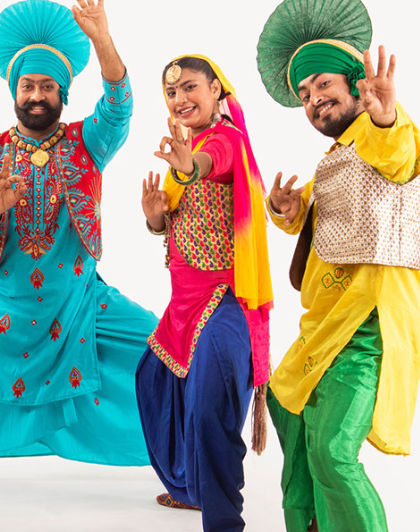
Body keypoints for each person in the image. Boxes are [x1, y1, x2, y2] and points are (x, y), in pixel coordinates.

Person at [0, 0, 158, 465]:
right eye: (27, 86)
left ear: (62, 92)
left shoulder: (88, 143)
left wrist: (102, 40)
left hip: (81, 304)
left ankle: (183, 458)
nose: (36, 95)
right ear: (14, 91)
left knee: (165, 351)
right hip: (0, 309)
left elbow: (119, 106)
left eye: (47, 86)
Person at [255, 0, 420, 532]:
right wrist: (287, 210)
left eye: (323, 85)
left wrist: (385, 117)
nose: (313, 100)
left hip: (369, 325)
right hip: (325, 325)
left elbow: (397, 156)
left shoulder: (386, 135)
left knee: (333, 450)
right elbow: (317, 212)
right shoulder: (336, 159)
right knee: (285, 401)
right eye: (305, 93)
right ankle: (309, 524)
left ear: (358, 86)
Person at [136, 55, 273, 532]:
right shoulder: (182, 149)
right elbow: (174, 222)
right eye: (172, 93)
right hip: (183, 306)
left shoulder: (224, 141)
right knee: (153, 380)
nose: (180, 98)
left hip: (225, 301)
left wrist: (190, 166)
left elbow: (213, 165)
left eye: (190, 87)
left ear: (217, 91)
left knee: (208, 409)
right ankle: (189, 488)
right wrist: (157, 217)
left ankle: (222, 521)